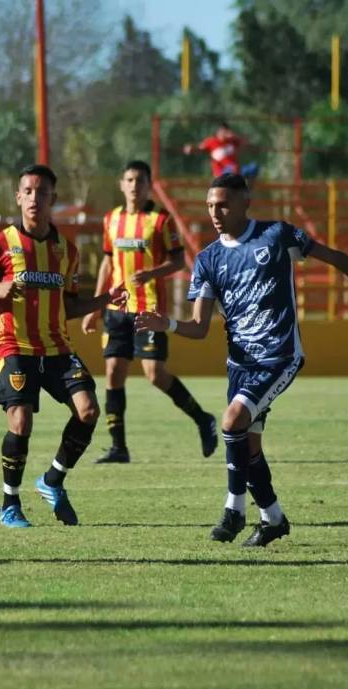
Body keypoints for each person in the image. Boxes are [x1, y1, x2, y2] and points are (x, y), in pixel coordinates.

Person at [136, 173, 348, 546]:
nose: (215, 213)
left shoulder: (276, 235)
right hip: (240, 365)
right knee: (248, 446)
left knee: (232, 420)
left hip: (279, 356)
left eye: (223, 205)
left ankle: (233, 509)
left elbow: (336, 258)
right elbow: (199, 328)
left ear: (244, 202)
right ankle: (273, 519)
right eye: (210, 206)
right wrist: (166, 323)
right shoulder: (208, 259)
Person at [0, 164, 127, 528]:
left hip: (57, 348)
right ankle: (9, 504)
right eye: (29, 191)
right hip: (14, 345)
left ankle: (52, 479)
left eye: (42, 192)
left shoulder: (66, 250)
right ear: (18, 197)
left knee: (88, 411)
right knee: (20, 421)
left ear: (53, 199)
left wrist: (105, 300)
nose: (35, 198)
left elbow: (69, 306)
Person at [81, 160, 217, 464]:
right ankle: (118, 447)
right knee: (113, 372)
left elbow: (179, 261)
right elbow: (107, 263)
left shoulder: (161, 221)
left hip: (149, 309)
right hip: (116, 308)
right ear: (121, 184)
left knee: (154, 374)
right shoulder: (111, 219)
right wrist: (96, 305)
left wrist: (153, 273)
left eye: (140, 181)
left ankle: (202, 418)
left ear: (148, 186)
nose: (134, 186)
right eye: (129, 180)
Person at [184, 122, 259, 181]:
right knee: (234, 169)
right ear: (218, 131)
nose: (224, 133)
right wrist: (191, 149)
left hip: (236, 170)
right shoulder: (211, 141)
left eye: (226, 130)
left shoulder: (232, 141)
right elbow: (199, 148)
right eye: (223, 130)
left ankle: (247, 192)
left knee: (254, 167)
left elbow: (246, 142)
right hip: (221, 173)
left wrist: (235, 136)